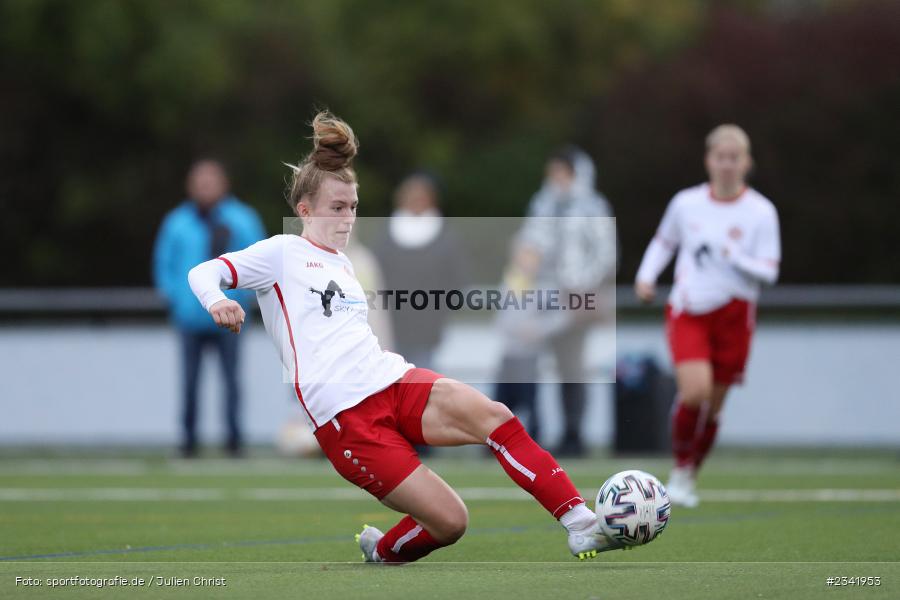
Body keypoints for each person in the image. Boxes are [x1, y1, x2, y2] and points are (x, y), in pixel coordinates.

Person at [187, 111, 624, 563]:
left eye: (353, 207)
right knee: (452, 521)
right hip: (346, 420)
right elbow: (205, 271)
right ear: (304, 211)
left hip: (392, 381)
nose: (348, 217)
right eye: (337, 208)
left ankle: (581, 524)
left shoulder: (345, 263)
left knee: (495, 416)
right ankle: (381, 551)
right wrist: (217, 300)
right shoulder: (281, 253)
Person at [634, 124, 781, 507]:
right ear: (708, 160)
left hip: (735, 314)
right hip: (691, 308)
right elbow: (664, 241)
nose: (727, 165)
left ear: (746, 163)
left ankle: (689, 473)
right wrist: (646, 276)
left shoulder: (761, 212)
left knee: (714, 406)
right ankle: (680, 466)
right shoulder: (686, 204)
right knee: (695, 391)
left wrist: (736, 258)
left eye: (735, 158)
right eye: (720, 157)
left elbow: (769, 271)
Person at [495, 147, 617, 455]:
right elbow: (527, 251)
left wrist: (583, 287)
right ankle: (523, 431)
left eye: (562, 172)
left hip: (576, 300)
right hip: (539, 298)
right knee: (522, 362)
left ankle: (573, 433)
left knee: (571, 368)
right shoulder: (542, 204)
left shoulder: (593, 207)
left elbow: (606, 256)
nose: (556, 179)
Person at [153, 159, 265, 458]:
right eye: (200, 182)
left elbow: (259, 262)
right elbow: (164, 265)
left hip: (231, 318)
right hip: (190, 318)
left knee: (232, 382)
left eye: (211, 181)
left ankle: (234, 440)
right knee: (189, 382)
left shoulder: (243, 219)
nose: (205, 187)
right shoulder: (176, 222)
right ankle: (188, 441)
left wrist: (241, 300)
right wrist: (177, 298)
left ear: (224, 184)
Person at [371, 172, 467, 370]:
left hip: (428, 327)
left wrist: (441, 309)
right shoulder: (386, 235)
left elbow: (457, 279)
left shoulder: (445, 237)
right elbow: (375, 275)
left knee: (422, 381)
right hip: (392, 324)